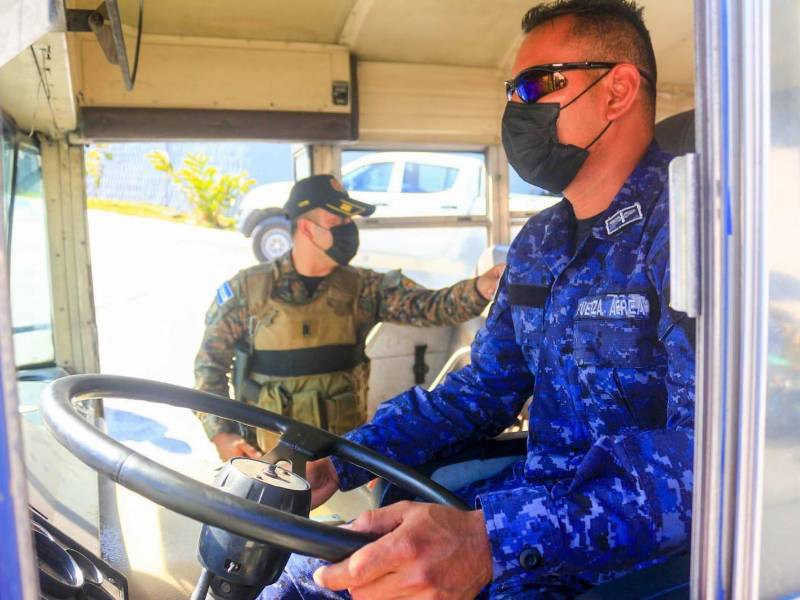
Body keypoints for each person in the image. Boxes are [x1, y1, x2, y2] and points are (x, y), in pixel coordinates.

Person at [259, 0, 695, 598]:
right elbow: (483, 390)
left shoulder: (691, 231)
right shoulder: (540, 241)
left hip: (623, 557)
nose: (516, 109)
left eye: (534, 85)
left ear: (617, 90)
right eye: (511, 92)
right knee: (303, 579)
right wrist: (342, 458)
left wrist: (489, 542)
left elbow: (709, 461)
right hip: (520, 514)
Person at [195, 173, 504, 460]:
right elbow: (209, 368)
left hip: (341, 458)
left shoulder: (363, 288)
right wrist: (223, 436)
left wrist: (480, 288)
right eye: (338, 219)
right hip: (268, 458)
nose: (348, 228)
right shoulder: (248, 291)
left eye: (349, 219)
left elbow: (431, 307)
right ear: (306, 227)